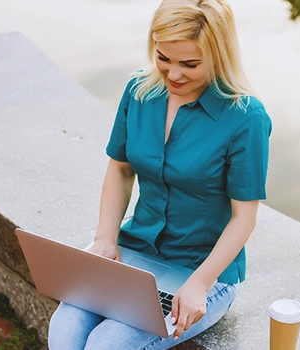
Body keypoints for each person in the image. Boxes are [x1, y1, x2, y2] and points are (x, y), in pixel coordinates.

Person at [48, 0, 272, 348]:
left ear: (219, 55)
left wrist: (200, 283)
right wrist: (105, 239)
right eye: (163, 58)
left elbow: (245, 217)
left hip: (202, 273)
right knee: (64, 330)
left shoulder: (246, 118)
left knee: (107, 344)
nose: (173, 74)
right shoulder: (139, 92)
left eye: (190, 64)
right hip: (135, 252)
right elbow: (121, 170)